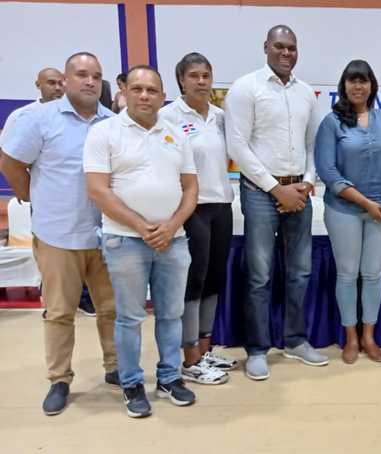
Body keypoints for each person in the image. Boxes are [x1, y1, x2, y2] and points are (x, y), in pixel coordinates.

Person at [0, 53, 117, 416]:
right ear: (65, 80)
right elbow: (10, 162)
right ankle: (59, 379)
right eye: (81, 75)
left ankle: (116, 368)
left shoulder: (113, 123)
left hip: (106, 234)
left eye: (96, 76)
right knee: (60, 312)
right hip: (57, 235)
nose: (90, 82)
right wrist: (32, 196)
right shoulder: (39, 119)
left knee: (112, 310)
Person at [85, 65, 198, 418]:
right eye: (137, 89)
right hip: (125, 241)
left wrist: (172, 225)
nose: (145, 95)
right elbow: (98, 190)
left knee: (171, 314)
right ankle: (132, 383)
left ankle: (169, 378)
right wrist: (143, 225)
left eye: (152, 90)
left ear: (163, 96)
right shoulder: (104, 132)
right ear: (125, 92)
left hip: (174, 240)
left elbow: (191, 187)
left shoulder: (177, 133)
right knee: (130, 318)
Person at [226, 25, 328, 381]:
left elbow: (314, 144)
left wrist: (308, 182)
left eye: (292, 48)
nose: (286, 53)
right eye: (280, 47)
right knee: (260, 275)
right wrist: (275, 189)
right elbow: (237, 146)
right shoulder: (246, 88)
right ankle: (257, 348)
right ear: (266, 47)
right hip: (259, 194)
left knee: (300, 271)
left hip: (299, 191)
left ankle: (295, 340)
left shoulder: (305, 93)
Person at [315, 59, 381, 364]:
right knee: (348, 274)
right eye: (352, 80)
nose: (358, 86)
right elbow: (327, 170)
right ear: (344, 86)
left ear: (372, 85)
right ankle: (350, 337)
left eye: (363, 80)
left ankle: (369, 335)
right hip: (343, 210)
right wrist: (367, 204)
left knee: (372, 274)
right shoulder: (331, 123)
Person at [160, 52, 235, 386]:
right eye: (194, 75)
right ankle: (188, 357)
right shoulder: (169, 116)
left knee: (215, 278)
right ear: (181, 80)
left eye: (206, 75)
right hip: (192, 209)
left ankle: (205, 349)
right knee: (195, 280)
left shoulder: (221, 116)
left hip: (222, 205)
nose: (201, 81)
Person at [0, 67, 63, 146]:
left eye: (61, 84)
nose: (58, 88)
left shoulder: (74, 115)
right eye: (51, 83)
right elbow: (3, 148)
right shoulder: (20, 115)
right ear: (38, 85)